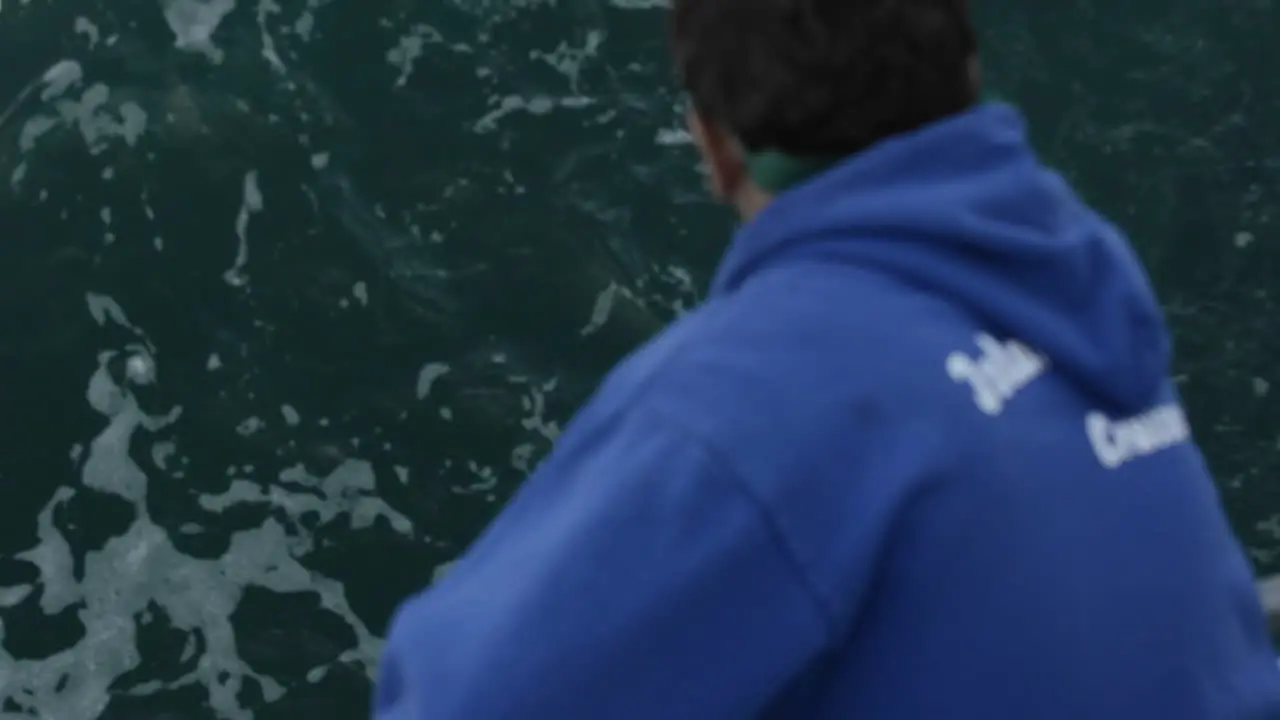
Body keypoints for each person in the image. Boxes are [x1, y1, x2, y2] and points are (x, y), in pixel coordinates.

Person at [373, 0, 1280, 717]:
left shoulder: (751, 398)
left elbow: (461, 703)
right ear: (967, 76)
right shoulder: (1074, 292)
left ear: (715, 149)